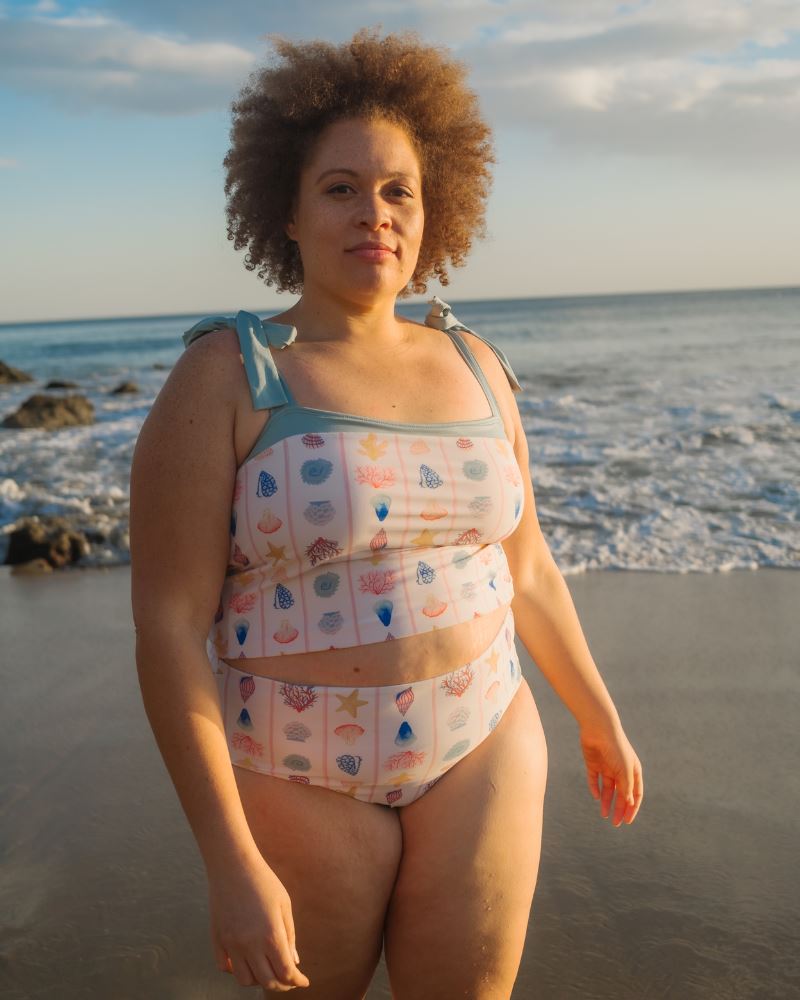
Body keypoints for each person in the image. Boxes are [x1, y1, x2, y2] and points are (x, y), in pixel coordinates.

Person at [130, 28, 643, 998]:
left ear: (430, 202)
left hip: (482, 742)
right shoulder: (226, 375)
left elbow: (524, 565)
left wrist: (595, 711)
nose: (375, 214)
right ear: (284, 207)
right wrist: (228, 858)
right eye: (340, 188)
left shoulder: (474, 361)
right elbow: (164, 627)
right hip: (295, 776)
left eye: (397, 188)